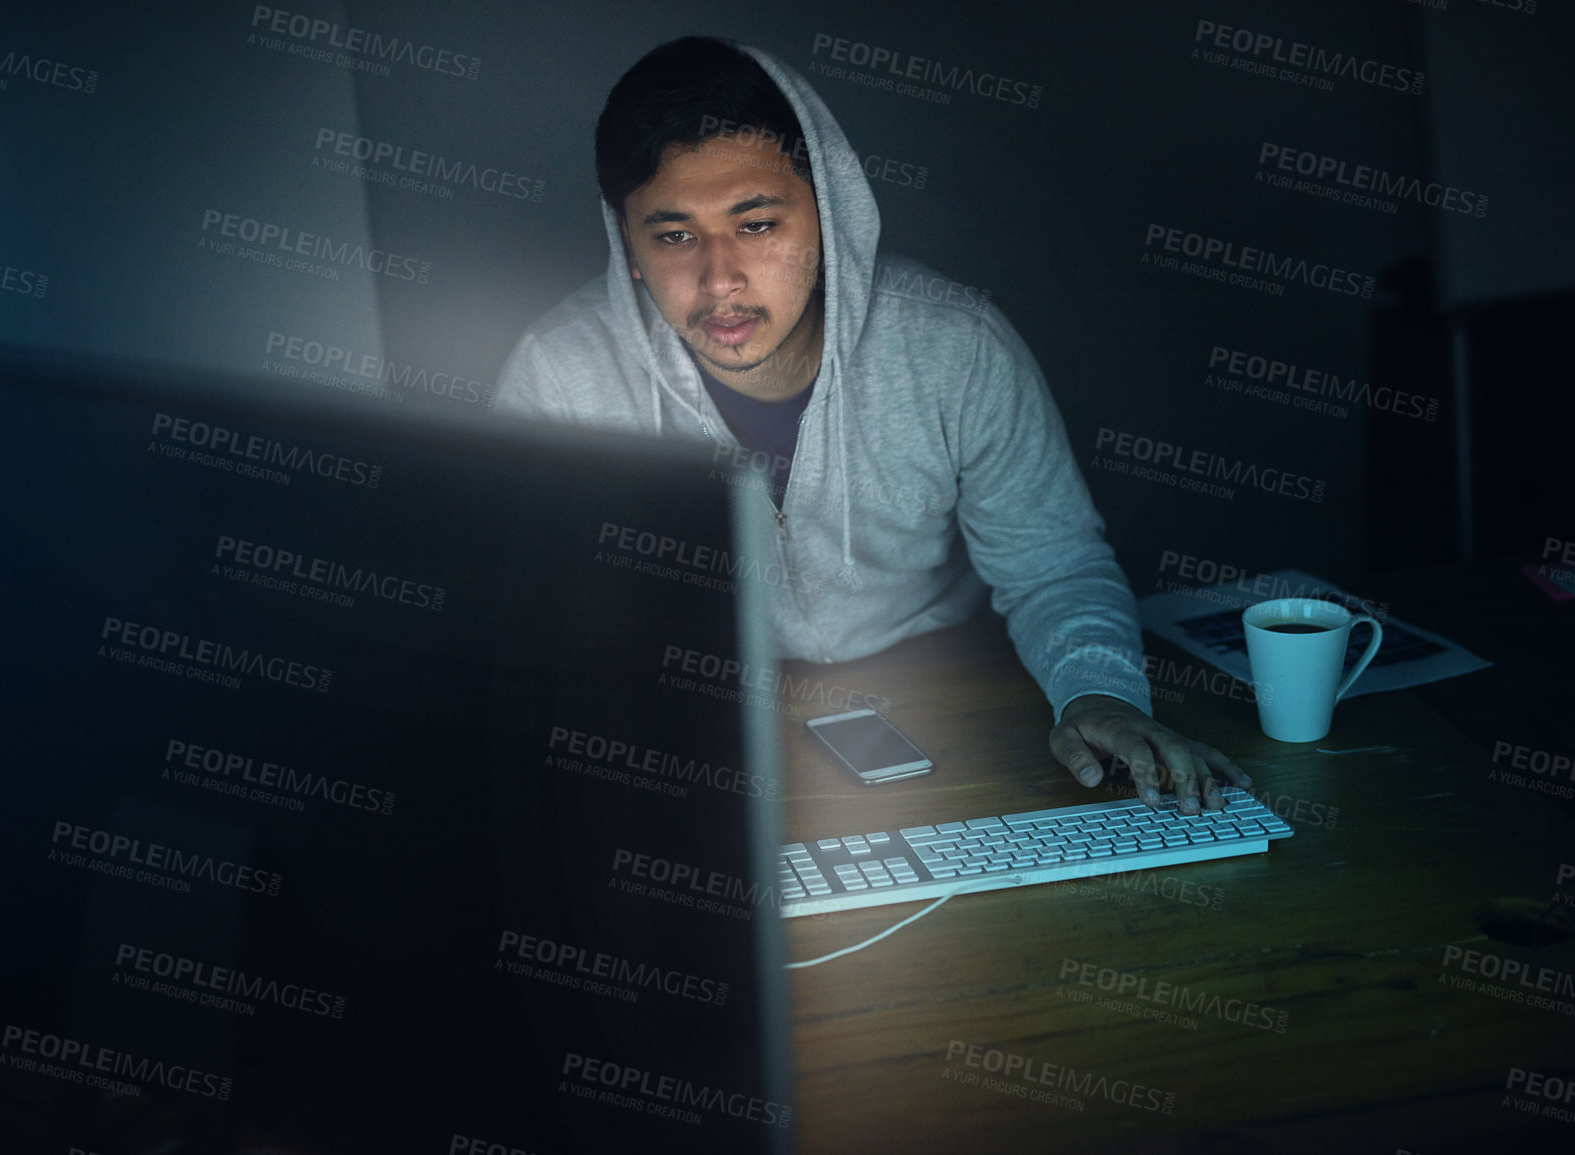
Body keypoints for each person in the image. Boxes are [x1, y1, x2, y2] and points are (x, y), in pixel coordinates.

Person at [497, 36, 1250, 812]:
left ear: (829, 210)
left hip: (955, 691)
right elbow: (531, 622)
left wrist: (1099, 696)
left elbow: (1051, 564)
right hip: (698, 715)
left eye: (756, 224)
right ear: (627, 243)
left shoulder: (955, 346)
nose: (718, 277)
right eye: (674, 235)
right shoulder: (560, 376)